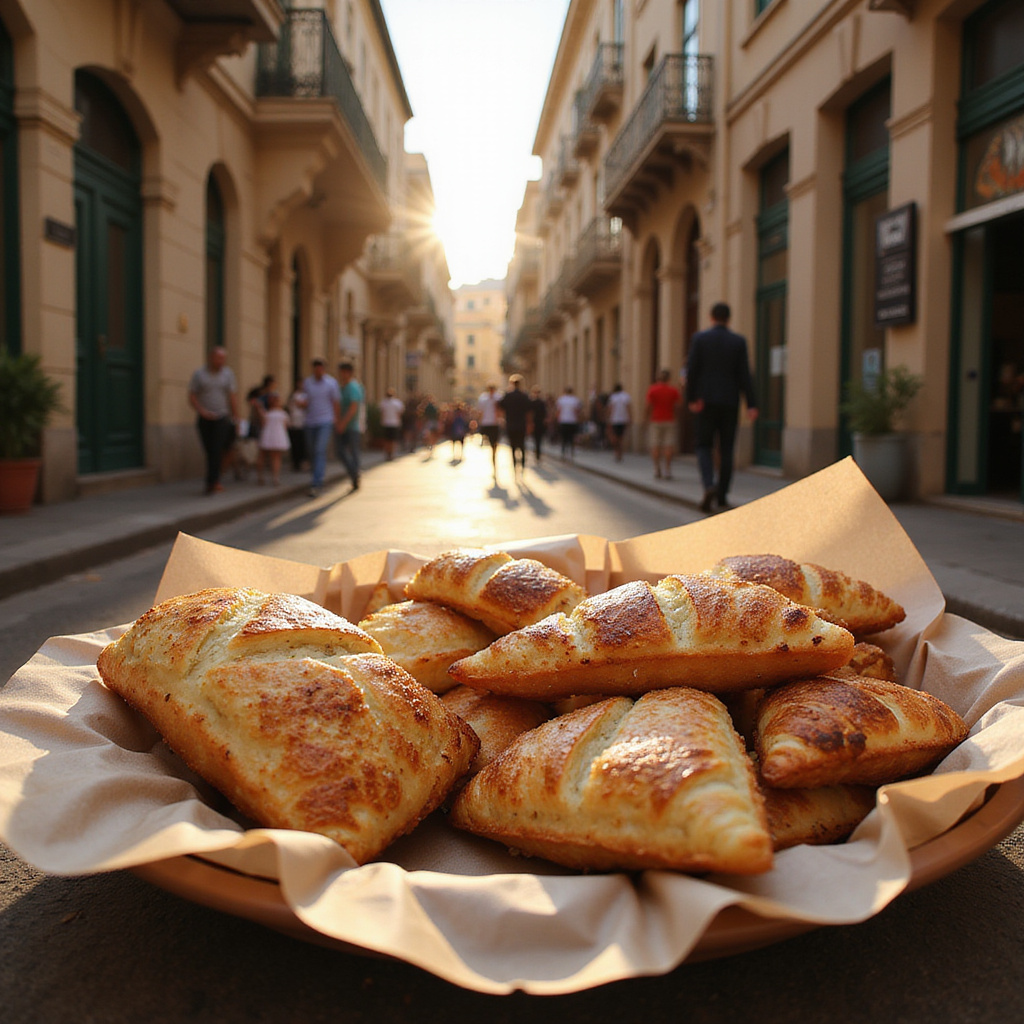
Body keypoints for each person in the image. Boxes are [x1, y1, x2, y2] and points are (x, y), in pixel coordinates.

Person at [686, 301, 759, 513]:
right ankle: (722, 496)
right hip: (729, 401)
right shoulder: (738, 342)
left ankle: (709, 485)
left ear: (711, 317)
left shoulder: (699, 339)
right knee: (727, 449)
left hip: (704, 402)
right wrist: (752, 404)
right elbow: (745, 374)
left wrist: (692, 398)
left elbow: (692, 370)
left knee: (703, 446)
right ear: (728, 319)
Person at [187, 346, 238, 495]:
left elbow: (232, 396)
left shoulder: (228, 374)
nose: (221, 361)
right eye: (219, 358)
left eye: (223, 358)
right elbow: (192, 395)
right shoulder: (199, 374)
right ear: (211, 358)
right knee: (209, 450)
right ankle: (213, 480)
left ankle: (213, 482)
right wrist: (202, 411)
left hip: (222, 417)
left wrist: (236, 417)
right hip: (204, 418)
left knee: (217, 449)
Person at [300, 357, 340, 497]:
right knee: (312, 451)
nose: (319, 371)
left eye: (321, 368)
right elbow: (305, 400)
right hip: (310, 422)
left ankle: (317, 482)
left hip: (325, 421)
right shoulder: (308, 383)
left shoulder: (331, 383)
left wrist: (337, 420)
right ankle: (316, 477)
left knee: (319, 450)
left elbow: (335, 402)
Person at [644, 369, 681, 480]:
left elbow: (648, 406)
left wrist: (646, 419)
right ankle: (667, 470)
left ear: (658, 378)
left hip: (655, 420)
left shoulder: (653, 390)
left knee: (655, 445)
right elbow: (679, 405)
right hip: (670, 420)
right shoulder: (673, 391)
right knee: (668, 446)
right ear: (669, 379)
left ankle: (656, 468)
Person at [335, 360, 365, 491]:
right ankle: (354, 473)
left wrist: (342, 423)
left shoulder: (353, 387)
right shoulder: (342, 387)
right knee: (340, 452)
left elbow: (353, 408)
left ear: (347, 372)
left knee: (353, 452)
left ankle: (355, 475)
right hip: (343, 425)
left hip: (352, 426)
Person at [499, 374, 532, 478]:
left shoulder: (508, 395)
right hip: (521, 424)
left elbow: (500, 406)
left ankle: (514, 466)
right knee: (522, 445)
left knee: (513, 446)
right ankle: (522, 465)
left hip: (511, 424)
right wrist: (530, 424)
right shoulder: (524, 396)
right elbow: (529, 411)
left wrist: (503, 418)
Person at [256, 391, 290, 486]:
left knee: (263, 456)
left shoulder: (267, 413)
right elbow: (286, 426)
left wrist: (259, 408)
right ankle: (275, 478)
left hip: (268, 436)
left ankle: (261, 477)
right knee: (276, 457)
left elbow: (263, 423)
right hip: (278, 436)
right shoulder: (283, 414)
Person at [476, 382, 503, 481]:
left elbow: (501, 411)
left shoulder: (498, 398)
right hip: (487, 424)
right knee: (491, 444)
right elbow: (480, 412)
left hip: (495, 424)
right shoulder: (483, 398)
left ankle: (494, 460)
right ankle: (493, 460)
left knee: (494, 445)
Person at [605, 382, 632, 462]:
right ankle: (620, 453)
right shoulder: (626, 396)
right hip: (623, 419)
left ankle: (617, 452)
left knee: (615, 437)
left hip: (615, 420)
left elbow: (610, 409)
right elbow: (628, 408)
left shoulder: (613, 397)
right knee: (621, 438)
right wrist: (630, 418)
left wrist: (608, 418)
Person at [555, 385, 582, 459]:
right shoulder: (575, 400)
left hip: (563, 421)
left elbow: (558, 411)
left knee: (564, 437)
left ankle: (563, 451)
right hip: (572, 421)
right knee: (572, 437)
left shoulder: (561, 399)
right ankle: (571, 451)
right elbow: (577, 411)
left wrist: (557, 419)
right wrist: (578, 420)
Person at [286, 379, 307, 472]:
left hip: (303, 423)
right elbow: (290, 406)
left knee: (302, 445)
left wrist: (300, 404)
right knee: (295, 445)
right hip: (293, 423)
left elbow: (305, 405)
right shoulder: (292, 395)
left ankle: (303, 463)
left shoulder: (306, 395)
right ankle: (295, 463)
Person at [378, 387, 404, 461]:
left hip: (386, 423)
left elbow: (381, 413)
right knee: (393, 440)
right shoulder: (397, 403)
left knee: (387, 439)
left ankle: (387, 453)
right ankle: (392, 453)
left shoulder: (383, 402)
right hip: (394, 423)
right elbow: (399, 413)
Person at [529, 385, 547, 463]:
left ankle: (537, 453)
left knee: (538, 439)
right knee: (537, 439)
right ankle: (537, 453)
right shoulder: (534, 402)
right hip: (536, 423)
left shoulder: (540, 402)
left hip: (538, 423)